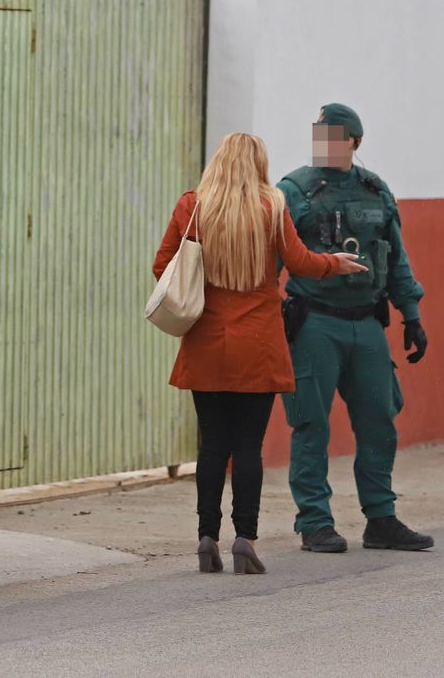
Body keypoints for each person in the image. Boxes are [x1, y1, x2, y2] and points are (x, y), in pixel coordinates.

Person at [154, 133, 364, 574]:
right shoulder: (271, 206)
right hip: (258, 344)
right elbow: (301, 261)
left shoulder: (193, 205)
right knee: (248, 444)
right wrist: (335, 263)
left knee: (213, 444)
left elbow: (163, 267)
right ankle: (245, 539)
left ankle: (206, 537)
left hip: (207, 341)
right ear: (259, 164)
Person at [279, 103, 433, 554]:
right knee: (311, 424)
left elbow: (395, 256)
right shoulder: (294, 190)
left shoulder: (375, 191)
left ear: (355, 142)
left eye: (334, 135)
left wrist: (411, 314)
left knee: (379, 421)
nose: (324, 143)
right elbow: (271, 258)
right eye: (319, 134)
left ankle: (381, 519)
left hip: (366, 323)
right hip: (314, 322)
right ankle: (314, 522)